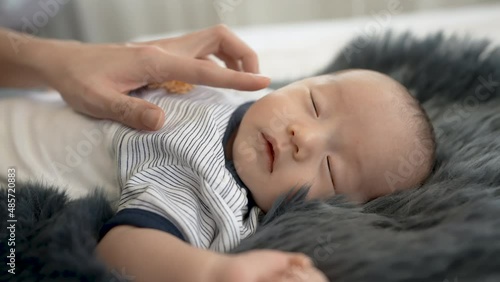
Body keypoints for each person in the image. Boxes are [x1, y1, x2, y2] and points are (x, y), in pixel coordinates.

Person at [0, 25, 328, 281]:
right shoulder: (236, 91)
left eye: (331, 166)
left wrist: (215, 274)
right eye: (315, 104)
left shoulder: (216, 194)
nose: (306, 138)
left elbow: (120, 250)